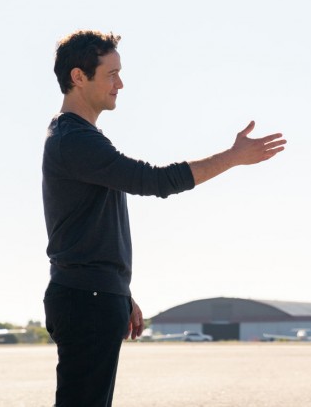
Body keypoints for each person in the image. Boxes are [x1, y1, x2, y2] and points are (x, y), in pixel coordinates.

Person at [42, 30, 286, 406]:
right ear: (78, 76)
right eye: (111, 74)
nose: (120, 84)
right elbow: (155, 180)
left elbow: (90, 232)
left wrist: (119, 290)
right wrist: (233, 157)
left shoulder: (79, 137)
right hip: (86, 299)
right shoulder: (74, 140)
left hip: (92, 294)